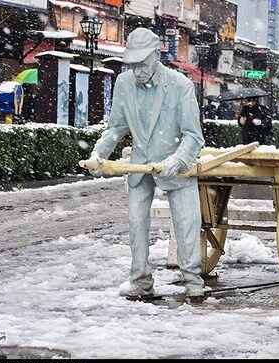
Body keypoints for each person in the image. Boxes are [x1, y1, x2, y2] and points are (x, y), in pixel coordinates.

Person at [86, 28, 206, 301]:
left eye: (142, 63)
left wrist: (178, 159)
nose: (138, 70)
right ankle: (140, 280)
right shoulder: (124, 84)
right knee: (136, 222)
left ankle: (192, 280)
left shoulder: (179, 85)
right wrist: (99, 155)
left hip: (176, 164)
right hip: (139, 165)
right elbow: (115, 128)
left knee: (187, 222)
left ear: (156, 55)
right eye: (133, 64)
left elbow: (193, 136)